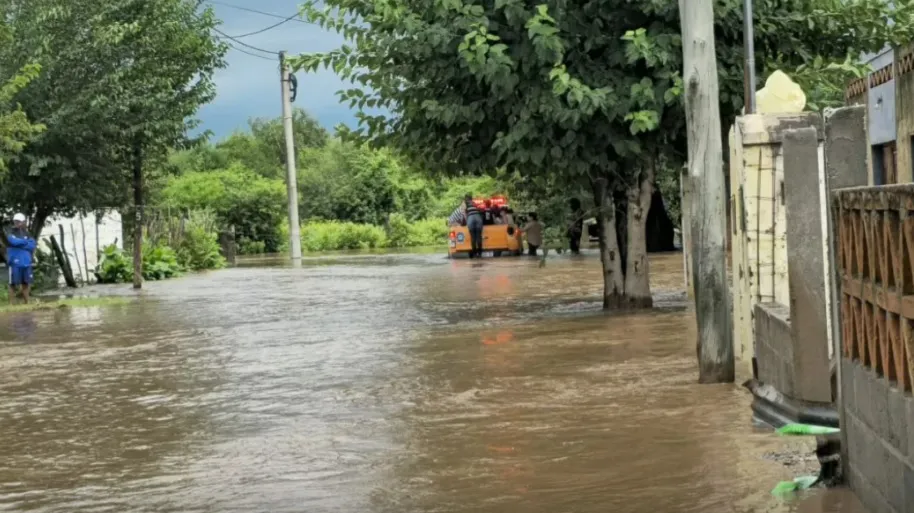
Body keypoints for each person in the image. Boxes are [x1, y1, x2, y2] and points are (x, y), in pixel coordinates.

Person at [6, 213, 37, 305]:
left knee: (26, 283)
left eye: (20, 221)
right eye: (16, 221)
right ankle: (11, 304)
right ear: (14, 221)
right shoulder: (10, 231)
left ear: (23, 222)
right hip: (15, 262)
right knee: (13, 284)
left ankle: (26, 302)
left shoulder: (27, 233)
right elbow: (13, 241)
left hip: (26, 262)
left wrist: (21, 243)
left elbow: (32, 245)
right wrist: (25, 242)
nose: (18, 223)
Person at [464, 194, 484, 258]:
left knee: (473, 237)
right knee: (479, 236)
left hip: (471, 218)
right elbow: (479, 210)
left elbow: (464, 213)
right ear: (471, 198)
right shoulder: (474, 203)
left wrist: (466, 221)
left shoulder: (465, 203)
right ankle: (480, 253)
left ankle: (475, 253)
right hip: (478, 218)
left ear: (466, 199)